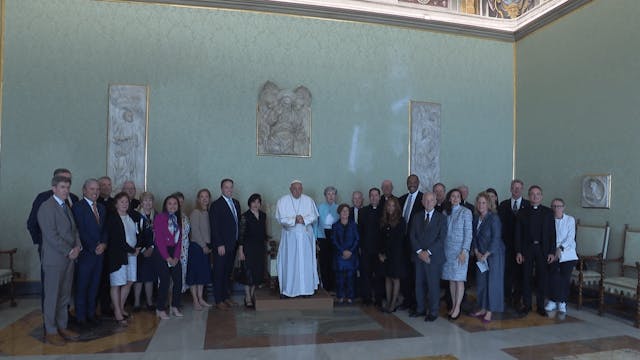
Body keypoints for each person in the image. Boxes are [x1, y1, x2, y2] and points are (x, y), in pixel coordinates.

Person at [37, 175, 81, 346]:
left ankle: (62, 326)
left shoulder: (65, 205)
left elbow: (74, 230)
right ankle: (51, 330)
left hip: (70, 258)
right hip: (55, 260)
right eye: (62, 187)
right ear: (54, 188)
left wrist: (77, 247)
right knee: (52, 296)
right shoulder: (46, 207)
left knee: (64, 296)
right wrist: (69, 250)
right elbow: (51, 236)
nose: (66, 190)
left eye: (68, 187)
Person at [515, 185, 556, 316]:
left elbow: (552, 234)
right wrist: (518, 251)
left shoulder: (548, 212)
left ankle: (540, 306)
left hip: (542, 249)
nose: (535, 196)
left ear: (541, 196)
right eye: (532, 194)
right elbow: (518, 233)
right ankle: (526, 305)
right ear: (528, 196)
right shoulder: (522, 212)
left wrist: (552, 252)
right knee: (526, 277)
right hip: (527, 248)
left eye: (538, 194)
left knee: (542, 278)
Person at [72, 178, 107, 327]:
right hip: (86, 254)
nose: (95, 192)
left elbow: (105, 229)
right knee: (82, 286)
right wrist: (94, 247)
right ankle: (81, 317)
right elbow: (80, 231)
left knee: (94, 285)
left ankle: (91, 314)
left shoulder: (101, 207)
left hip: (100, 254)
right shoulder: (77, 207)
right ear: (84, 190)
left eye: (97, 189)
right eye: (92, 189)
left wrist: (104, 244)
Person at [275, 180, 320, 297]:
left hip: (305, 237)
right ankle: (289, 289)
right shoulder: (283, 201)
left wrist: (303, 220)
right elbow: (281, 219)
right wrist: (294, 220)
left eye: (299, 188)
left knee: (306, 263)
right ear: (290, 189)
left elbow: (314, 216)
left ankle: (306, 289)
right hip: (290, 238)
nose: (297, 191)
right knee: (290, 263)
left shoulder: (308, 200)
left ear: (302, 189)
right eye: (295, 188)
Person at [410, 192, 447, 322]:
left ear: (436, 201)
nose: (428, 202)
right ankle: (420, 309)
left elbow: (442, 239)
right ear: (422, 202)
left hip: (433, 258)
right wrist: (420, 252)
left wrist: (428, 252)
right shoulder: (416, 217)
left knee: (433, 286)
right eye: (426, 200)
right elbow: (412, 236)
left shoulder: (441, 218)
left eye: (431, 200)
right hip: (419, 257)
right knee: (418, 284)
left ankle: (433, 311)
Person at [105, 192, 141, 326]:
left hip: (132, 254)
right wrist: (132, 250)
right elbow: (116, 240)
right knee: (117, 283)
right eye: (122, 202)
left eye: (126, 202)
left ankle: (119, 307)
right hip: (118, 255)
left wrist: (137, 248)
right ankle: (117, 312)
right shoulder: (113, 218)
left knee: (130, 280)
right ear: (116, 204)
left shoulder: (131, 216)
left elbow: (139, 231)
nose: (125, 204)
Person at [470, 192, 504, 323]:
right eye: (479, 202)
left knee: (493, 283)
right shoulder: (476, 218)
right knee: (482, 282)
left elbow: (496, 238)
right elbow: (474, 237)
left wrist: (487, 254)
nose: (481, 205)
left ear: (489, 204)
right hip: (481, 255)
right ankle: (483, 307)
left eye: (484, 203)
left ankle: (490, 311)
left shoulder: (494, 218)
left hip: (494, 255)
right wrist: (477, 252)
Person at [209, 179, 241, 309]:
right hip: (221, 246)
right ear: (221, 189)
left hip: (233, 244)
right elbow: (215, 227)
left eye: (231, 187)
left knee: (228, 272)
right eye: (226, 187)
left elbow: (237, 224)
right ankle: (218, 300)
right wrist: (219, 244)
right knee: (219, 272)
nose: (229, 190)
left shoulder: (236, 203)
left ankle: (226, 297)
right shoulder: (216, 205)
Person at [497, 179, 529, 307]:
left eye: (519, 188)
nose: (516, 190)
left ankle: (517, 298)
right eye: (514, 187)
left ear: (522, 190)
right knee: (507, 272)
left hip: (522, 246)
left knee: (520, 273)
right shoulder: (503, 205)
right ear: (510, 189)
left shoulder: (528, 205)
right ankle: (506, 297)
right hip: (506, 246)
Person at [441, 189, 473, 320]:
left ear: (461, 199)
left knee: (459, 280)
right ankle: (453, 305)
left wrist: (465, 251)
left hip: (460, 251)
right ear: (449, 198)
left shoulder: (466, 212)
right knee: (451, 280)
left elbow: (469, 233)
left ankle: (457, 307)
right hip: (447, 251)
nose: (455, 198)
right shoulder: (445, 213)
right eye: (452, 196)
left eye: (457, 196)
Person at [153, 195, 184, 319]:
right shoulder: (160, 217)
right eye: (170, 203)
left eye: (175, 204)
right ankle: (160, 308)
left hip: (174, 252)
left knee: (178, 280)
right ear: (166, 205)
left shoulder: (178, 218)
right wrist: (168, 258)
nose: (172, 206)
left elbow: (179, 240)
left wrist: (176, 257)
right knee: (165, 281)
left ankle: (175, 306)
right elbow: (159, 240)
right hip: (162, 253)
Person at [545, 198, 577, 314]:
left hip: (567, 252)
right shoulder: (549, 220)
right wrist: (553, 250)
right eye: (554, 206)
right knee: (553, 276)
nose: (556, 208)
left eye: (559, 206)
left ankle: (562, 301)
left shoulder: (570, 220)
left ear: (563, 207)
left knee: (564, 277)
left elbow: (570, 237)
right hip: (552, 251)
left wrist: (560, 249)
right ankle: (553, 300)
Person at [238, 193, 268, 308]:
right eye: (253, 202)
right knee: (248, 272)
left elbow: (264, 232)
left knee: (257, 272)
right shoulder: (245, 216)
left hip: (259, 248)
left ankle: (251, 294)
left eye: (258, 202)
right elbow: (241, 235)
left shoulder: (263, 215)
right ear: (249, 203)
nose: (256, 204)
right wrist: (240, 251)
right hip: (247, 248)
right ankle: (247, 297)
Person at [399, 174, 424, 310]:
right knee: (405, 273)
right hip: (403, 244)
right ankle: (407, 300)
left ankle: (416, 302)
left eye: (414, 182)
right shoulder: (402, 199)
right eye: (409, 182)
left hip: (417, 244)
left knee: (416, 275)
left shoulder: (423, 199)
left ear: (418, 183)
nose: (412, 184)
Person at [378, 197, 406, 313]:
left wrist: (388, 254)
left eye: (393, 205)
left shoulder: (401, 221)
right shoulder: (384, 220)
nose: (390, 208)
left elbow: (398, 241)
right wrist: (380, 253)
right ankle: (389, 301)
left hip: (396, 255)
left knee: (395, 278)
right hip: (385, 255)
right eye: (388, 205)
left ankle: (393, 304)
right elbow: (380, 238)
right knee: (387, 278)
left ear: (396, 207)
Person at [187, 189, 213, 311]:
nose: (204, 199)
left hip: (205, 247)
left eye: (206, 196)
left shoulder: (208, 213)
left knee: (202, 274)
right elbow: (195, 232)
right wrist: (203, 246)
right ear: (198, 199)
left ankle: (201, 298)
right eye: (201, 196)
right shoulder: (195, 212)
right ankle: (195, 300)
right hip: (197, 247)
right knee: (194, 274)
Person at [358, 188, 382, 306]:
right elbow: (360, 231)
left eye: (376, 195)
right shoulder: (363, 211)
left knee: (378, 276)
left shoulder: (384, 211)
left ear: (379, 197)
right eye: (371, 195)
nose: (373, 197)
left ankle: (378, 299)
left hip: (379, 250)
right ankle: (366, 298)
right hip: (366, 249)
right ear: (369, 197)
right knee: (365, 275)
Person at [133, 191, 156, 312]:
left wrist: (152, 248)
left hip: (152, 251)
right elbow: (135, 235)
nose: (148, 203)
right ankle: (136, 303)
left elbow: (158, 234)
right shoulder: (136, 216)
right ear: (141, 203)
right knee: (139, 278)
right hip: (139, 252)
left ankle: (149, 301)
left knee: (149, 278)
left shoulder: (155, 215)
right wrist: (143, 249)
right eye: (145, 200)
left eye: (150, 200)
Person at [332, 204, 359, 304]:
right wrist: (342, 251)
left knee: (351, 277)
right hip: (340, 256)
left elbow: (357, 239)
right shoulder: (335, 225)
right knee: (340, 278)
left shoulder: (354, 225)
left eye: (347, 211)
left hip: (351, 255)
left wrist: (350, 251)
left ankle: (350, 296)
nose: (345, 212)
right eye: (343, 211)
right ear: (339, 213)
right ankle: (340, 296)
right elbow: (334, 240)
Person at [316, 186, 339, 292]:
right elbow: (315, 225)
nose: (331, 196)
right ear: (325, 196)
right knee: (324, 262)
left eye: (333, 194)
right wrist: (316, 240)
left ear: (335, 196)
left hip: (334, 237)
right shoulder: (319, 207)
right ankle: (325, 286)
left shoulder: (339, 208)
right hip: (322, 236)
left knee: (334, 261)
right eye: (328, 194)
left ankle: (334, 286)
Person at [172, 192, 191, 293]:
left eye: (181, 202)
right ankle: (170, 302)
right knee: (172, 275)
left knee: (182, 273)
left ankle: (177, 299)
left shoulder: (184, 216)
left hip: (184, 249)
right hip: (173, 249)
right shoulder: (169, 216)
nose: (179, 204)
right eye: (177, 202)